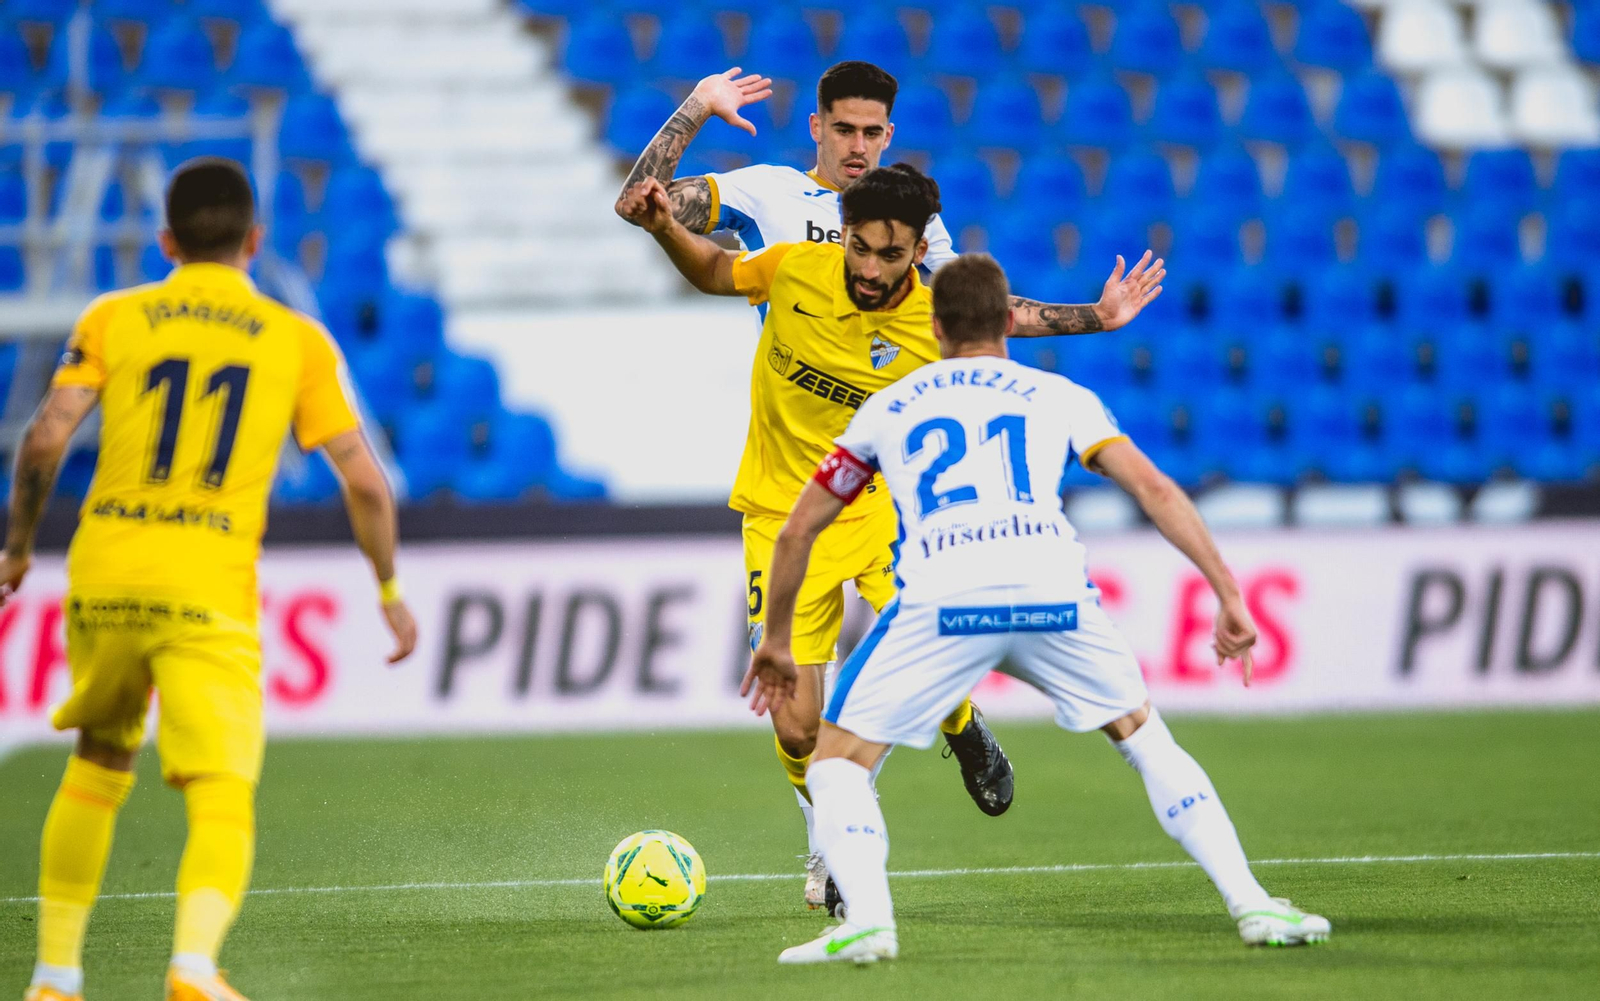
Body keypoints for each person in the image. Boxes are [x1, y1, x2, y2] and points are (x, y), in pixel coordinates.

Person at [616, 63, 1165, 909]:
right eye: (846, 131)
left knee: (923, 644)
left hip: (883, 498)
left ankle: (958, 726)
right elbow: (648, 207)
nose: (860, 147)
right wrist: (695, 112)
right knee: (797, 722)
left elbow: (986, 311)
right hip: (780, 496)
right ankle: (825, 842)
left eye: (875, 133)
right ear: (818, 128)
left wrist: (1094, 317)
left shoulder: (916, 234)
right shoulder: (778, 219)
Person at [742, 253, 1331, 964]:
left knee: (835, 764)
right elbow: (1156, 491)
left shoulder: (889, 405)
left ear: (932, 325)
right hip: (1052, 589)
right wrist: (1230, 594)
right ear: (1008, 323)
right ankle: (1253, 903)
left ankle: (868, 920)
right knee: (1147, 739)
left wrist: (776, 639)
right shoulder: (1059, 394)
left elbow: (800, 526)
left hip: (945, 598)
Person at [10, 158, 418, 1001]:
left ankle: (54, 977)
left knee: (98, 759)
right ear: (255, 240)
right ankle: (193, 966)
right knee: (221, 785)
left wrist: (17, 547)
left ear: (165, 240)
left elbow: (46, 439)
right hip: (207, 582)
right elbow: (366, 481)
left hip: (106, 566)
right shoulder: (293, 338)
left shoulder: (113, 315)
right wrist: (386, 589)